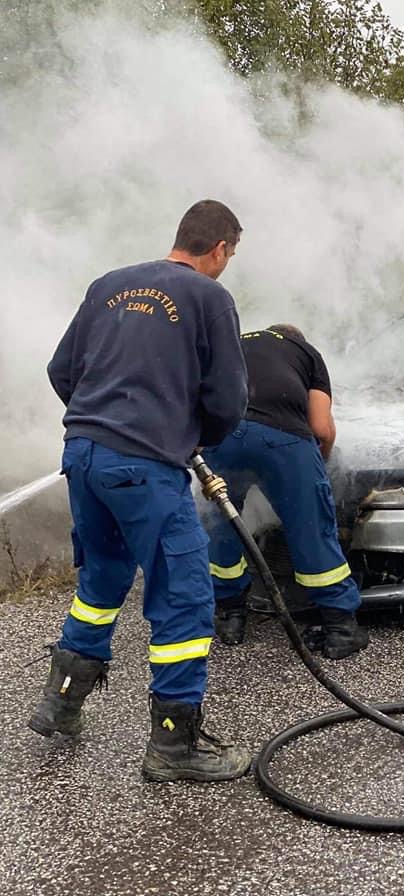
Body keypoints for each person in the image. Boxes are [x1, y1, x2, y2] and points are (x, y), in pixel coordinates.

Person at [29, 199, 252, 782]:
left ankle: (59, 706)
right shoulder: (210, 298)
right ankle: (174, 748)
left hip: (82, 456)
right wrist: (184, 436)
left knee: (101, 580)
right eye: (232, 253)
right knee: (185, 596)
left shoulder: (110, 285)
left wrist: (99, 422)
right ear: (222, 247)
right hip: (145, 469)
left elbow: (61, 371)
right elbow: (228, 402)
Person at [203, 324, 369, 660]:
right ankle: (340, 627)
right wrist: (314, 471)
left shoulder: (232, 342)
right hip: (282, 439)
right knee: (310, 526)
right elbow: (321, 428)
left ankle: (230, 615)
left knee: (221, 523)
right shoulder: (306, 352)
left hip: (220, 435)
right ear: (297, 340)